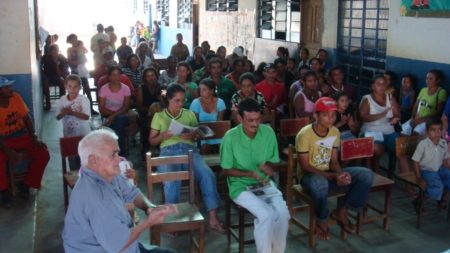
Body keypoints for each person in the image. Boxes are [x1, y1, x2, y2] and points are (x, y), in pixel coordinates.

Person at [62, 129, 177, 253]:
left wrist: (149, 208)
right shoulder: (95, 196)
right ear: (93, 160)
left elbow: (132, 192)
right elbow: (119, 245)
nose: (118, 160)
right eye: (113, 155)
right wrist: (148, 222)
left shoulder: (107, 174)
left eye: (117, 153)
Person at [149, 84, 226, 233]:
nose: (180, 104)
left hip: (190, 151)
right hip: (168, 151)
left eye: (182, 100)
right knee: (172, 179)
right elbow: (152, 141)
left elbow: (197, 132)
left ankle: (213, 218)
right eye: (176, 100)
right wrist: (162, 136)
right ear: (169, 99)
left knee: (207, 175)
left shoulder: (189, 114)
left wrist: (192, 134)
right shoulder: (159, 116)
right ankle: (172, 221)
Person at [296, 96, 374, 240]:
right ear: (315, 115)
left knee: (366, 175)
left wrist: (340, 174)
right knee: (320, 184)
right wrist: (333, 176)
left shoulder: (335, 132)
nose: (330, 119)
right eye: (325, 115)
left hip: (328, 174)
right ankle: (322, 218)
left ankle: (342, 211)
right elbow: (306, 167)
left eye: (333, 115)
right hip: (309, 177)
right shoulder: (304, 134)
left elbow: (333, 161)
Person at [220, 98, 290, 253]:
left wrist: (269, 168)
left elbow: (273, 161)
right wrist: (250, 173)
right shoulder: (230, 137)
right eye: (250, 120)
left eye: (258, 119)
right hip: (240, 185)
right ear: (239, 118)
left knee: (283, 214)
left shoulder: (268, 132)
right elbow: (225, 170)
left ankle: (278, 251)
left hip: (264, 183)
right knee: (266, 215)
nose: (255, 124)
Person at [0, 77, 50, 206]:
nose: (10, 89)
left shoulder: (15, 97)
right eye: (6, 87)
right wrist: (8, 151)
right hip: (4, 142)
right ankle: (4, 192)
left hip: (22, 136)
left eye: (9, 86)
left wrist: (33, 137)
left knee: (43, 153)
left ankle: (27, 185)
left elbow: (26, 118)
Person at [412, 118, 450, 210]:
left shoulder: (443, 143)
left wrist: (448, 168)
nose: (437, 132)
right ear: (427, 132)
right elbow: (415, 161)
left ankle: (442, 199)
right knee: (438, 186)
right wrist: (419, 178)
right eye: (433, 130)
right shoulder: (423, 144)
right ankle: (420, 200)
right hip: (427, 171)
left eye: (439, 129)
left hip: (439, 169)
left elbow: (445, 159)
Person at [56, 75, 91, 170]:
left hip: (83, 135)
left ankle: (85, 180)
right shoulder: (62, 100)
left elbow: (87, 116)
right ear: (66, 87)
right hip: (69, 136)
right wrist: (63, 113)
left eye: (76, 86)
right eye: (70, 86)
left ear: (80, 88)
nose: (72, 89)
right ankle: (75, 182)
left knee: (85, 161)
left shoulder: (84, 100)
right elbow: (58, 117)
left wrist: (72, 112)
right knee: (72, 162)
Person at [98, 66, 131, 157]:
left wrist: (113, 116)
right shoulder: (104, 89)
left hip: (122, 115)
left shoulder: (126, 88)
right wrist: (112, 115)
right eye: (113, 75)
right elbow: (101, 108)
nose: (116, 77)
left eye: (118, 75)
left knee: (119, 120)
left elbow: (126, 107)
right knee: (118, 124)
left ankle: (117, 152)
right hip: (107, 115)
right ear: (109, 76)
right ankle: (121, 154)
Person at [403, 70, 447, 136]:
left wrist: (420, 120)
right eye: (427, 78)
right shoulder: (423, 90)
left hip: (429, 120)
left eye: (431, 79)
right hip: (417, 118)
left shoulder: (441, 92)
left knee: (416, 133)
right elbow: (416, 106)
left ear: (438, 80)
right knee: (403, 132)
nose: (427, 80)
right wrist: (412, 117)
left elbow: (438, 112)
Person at [190, 79, 226, 153]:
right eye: (200, 89)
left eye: (204, 89)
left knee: (223, 145)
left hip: (216, 132)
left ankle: (224, 164)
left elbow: (219, 123)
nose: (201, 91)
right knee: (204, 146)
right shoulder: (196, 103)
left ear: (212, 91)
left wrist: (212, 132)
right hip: (201, 133)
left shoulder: (220, 102)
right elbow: (195, 123)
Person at [136, 67, 161, 157]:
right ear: (144, 78)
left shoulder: (162, 87)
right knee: (146, 126)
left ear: (156, 76)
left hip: (160, 114)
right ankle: (146, 151)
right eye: (148, 76)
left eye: (152, 75)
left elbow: (166, 101)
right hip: (145, 115)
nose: (151, 78)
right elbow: (139, 106)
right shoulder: (141, 88)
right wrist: (151, 110)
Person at [41, 44, 66, 110]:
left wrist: (56, 63)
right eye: (54, 50)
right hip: (46, 75)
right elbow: (40, 63)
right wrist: (43, 74)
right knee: (45, 83)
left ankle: (62, 104)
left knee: (62, 82)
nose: (55, 52)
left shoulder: (61, 58)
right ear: (50, 51)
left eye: (57, 50)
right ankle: (48, 104)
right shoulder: (46, 57)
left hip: (55, 76)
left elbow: (59, 73)